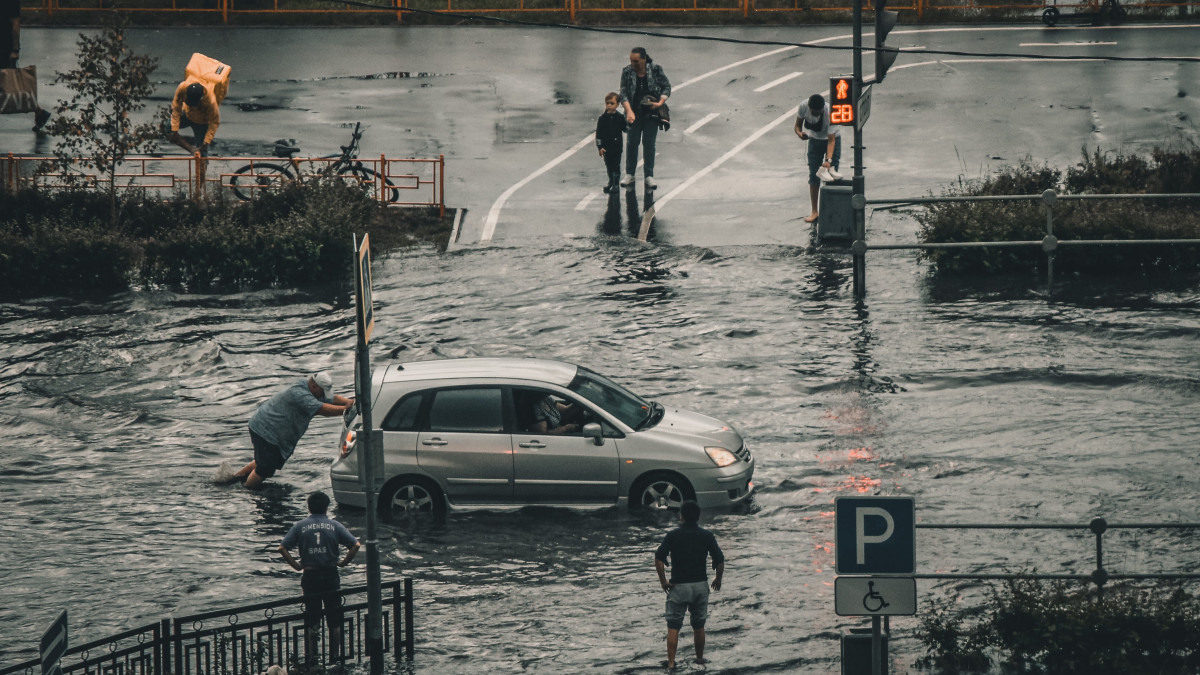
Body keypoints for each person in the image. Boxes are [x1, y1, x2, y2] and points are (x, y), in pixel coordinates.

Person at [224, 372, 354, 489]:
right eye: (322, 392)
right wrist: (346, 410)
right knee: (265, 469)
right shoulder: (300, 394)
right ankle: (248, 491)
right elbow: (322, 409)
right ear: (314, 386)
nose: (323, 395)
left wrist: (350, 402)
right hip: (266, 430)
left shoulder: (309, 388)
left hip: (269, 429)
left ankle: (236, 478)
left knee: (265, 460)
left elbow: (331, 398)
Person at [279, 491, 360, 665]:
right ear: (326, 507)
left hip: (310, 575)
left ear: (309, 507)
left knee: (312, 619)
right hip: (330, 574)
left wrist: (296, 565)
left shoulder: (300, 526)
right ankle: (335, 657)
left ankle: (312, 658)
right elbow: (355, 545)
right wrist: (343, 562)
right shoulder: (335, 525)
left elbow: (282, 548)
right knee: (334, 619)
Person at [654, 500, 724, 671]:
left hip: (679, 587)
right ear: (698, 517)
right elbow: (720, 560)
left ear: (681, 516)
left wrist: (663, 581)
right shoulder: (707, 536)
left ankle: (671, 663)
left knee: (673, 626)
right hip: (700, 586)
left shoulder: (673, 535)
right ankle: (699, 659)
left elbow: (659, 559)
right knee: (699, 626)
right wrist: (718, 579)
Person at [619, 47, 671, 191]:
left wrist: (660, 103)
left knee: (649, 144)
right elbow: (623, 93)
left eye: (636, 61)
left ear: (644, 59)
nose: (633, 64)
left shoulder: (655, 69)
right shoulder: (627, 71)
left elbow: (666, 87)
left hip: (651, 113)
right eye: (631, 60)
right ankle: (629, 174)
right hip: (634, 112)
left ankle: (649, 175)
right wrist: (629, 111)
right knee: (631, 143)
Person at [794, 92, 843, 224]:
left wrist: (828, 161)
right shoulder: (803, 106)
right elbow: (797, 126)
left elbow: (831, 140)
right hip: (814, 140)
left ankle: (831, 211)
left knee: (831, 174)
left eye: (818, 113)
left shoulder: (830, 112)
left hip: (832, 139)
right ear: (809, 107)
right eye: (813, 113)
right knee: (814, 175)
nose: (816, 114)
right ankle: (815, 211)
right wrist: (800, 133)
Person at [2, 0, 50, 131]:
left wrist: (15, 49)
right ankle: (39, 112)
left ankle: (39, 111)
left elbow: (15, 24)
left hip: (4, 48)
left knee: (11, 84)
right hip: (4, 47)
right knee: (11, 84)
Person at [168, 80, 220, 156]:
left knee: (202, 150)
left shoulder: (210, 101)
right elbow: (176, 107)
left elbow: (214, 122)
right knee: (166, 127)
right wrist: (174, 130)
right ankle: (191, 149)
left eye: (193, 104)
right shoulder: (182, 87)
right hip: (187, 113)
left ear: (201, 98)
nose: (191, 105)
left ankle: (200, 158)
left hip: (201, 121)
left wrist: (207, 141)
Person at [595, 91, 627, 194]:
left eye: (612, 103)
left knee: (616, 165)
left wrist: (629, 122)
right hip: (606, 147)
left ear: (617, 105)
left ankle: (616, 183)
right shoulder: (602, 118)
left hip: (616, 147)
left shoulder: (620, 117)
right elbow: (598, 134)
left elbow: (625, 129)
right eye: (607, 103)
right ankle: (611, 181)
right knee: (608, 165)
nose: (609, 105)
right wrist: (600, 147)